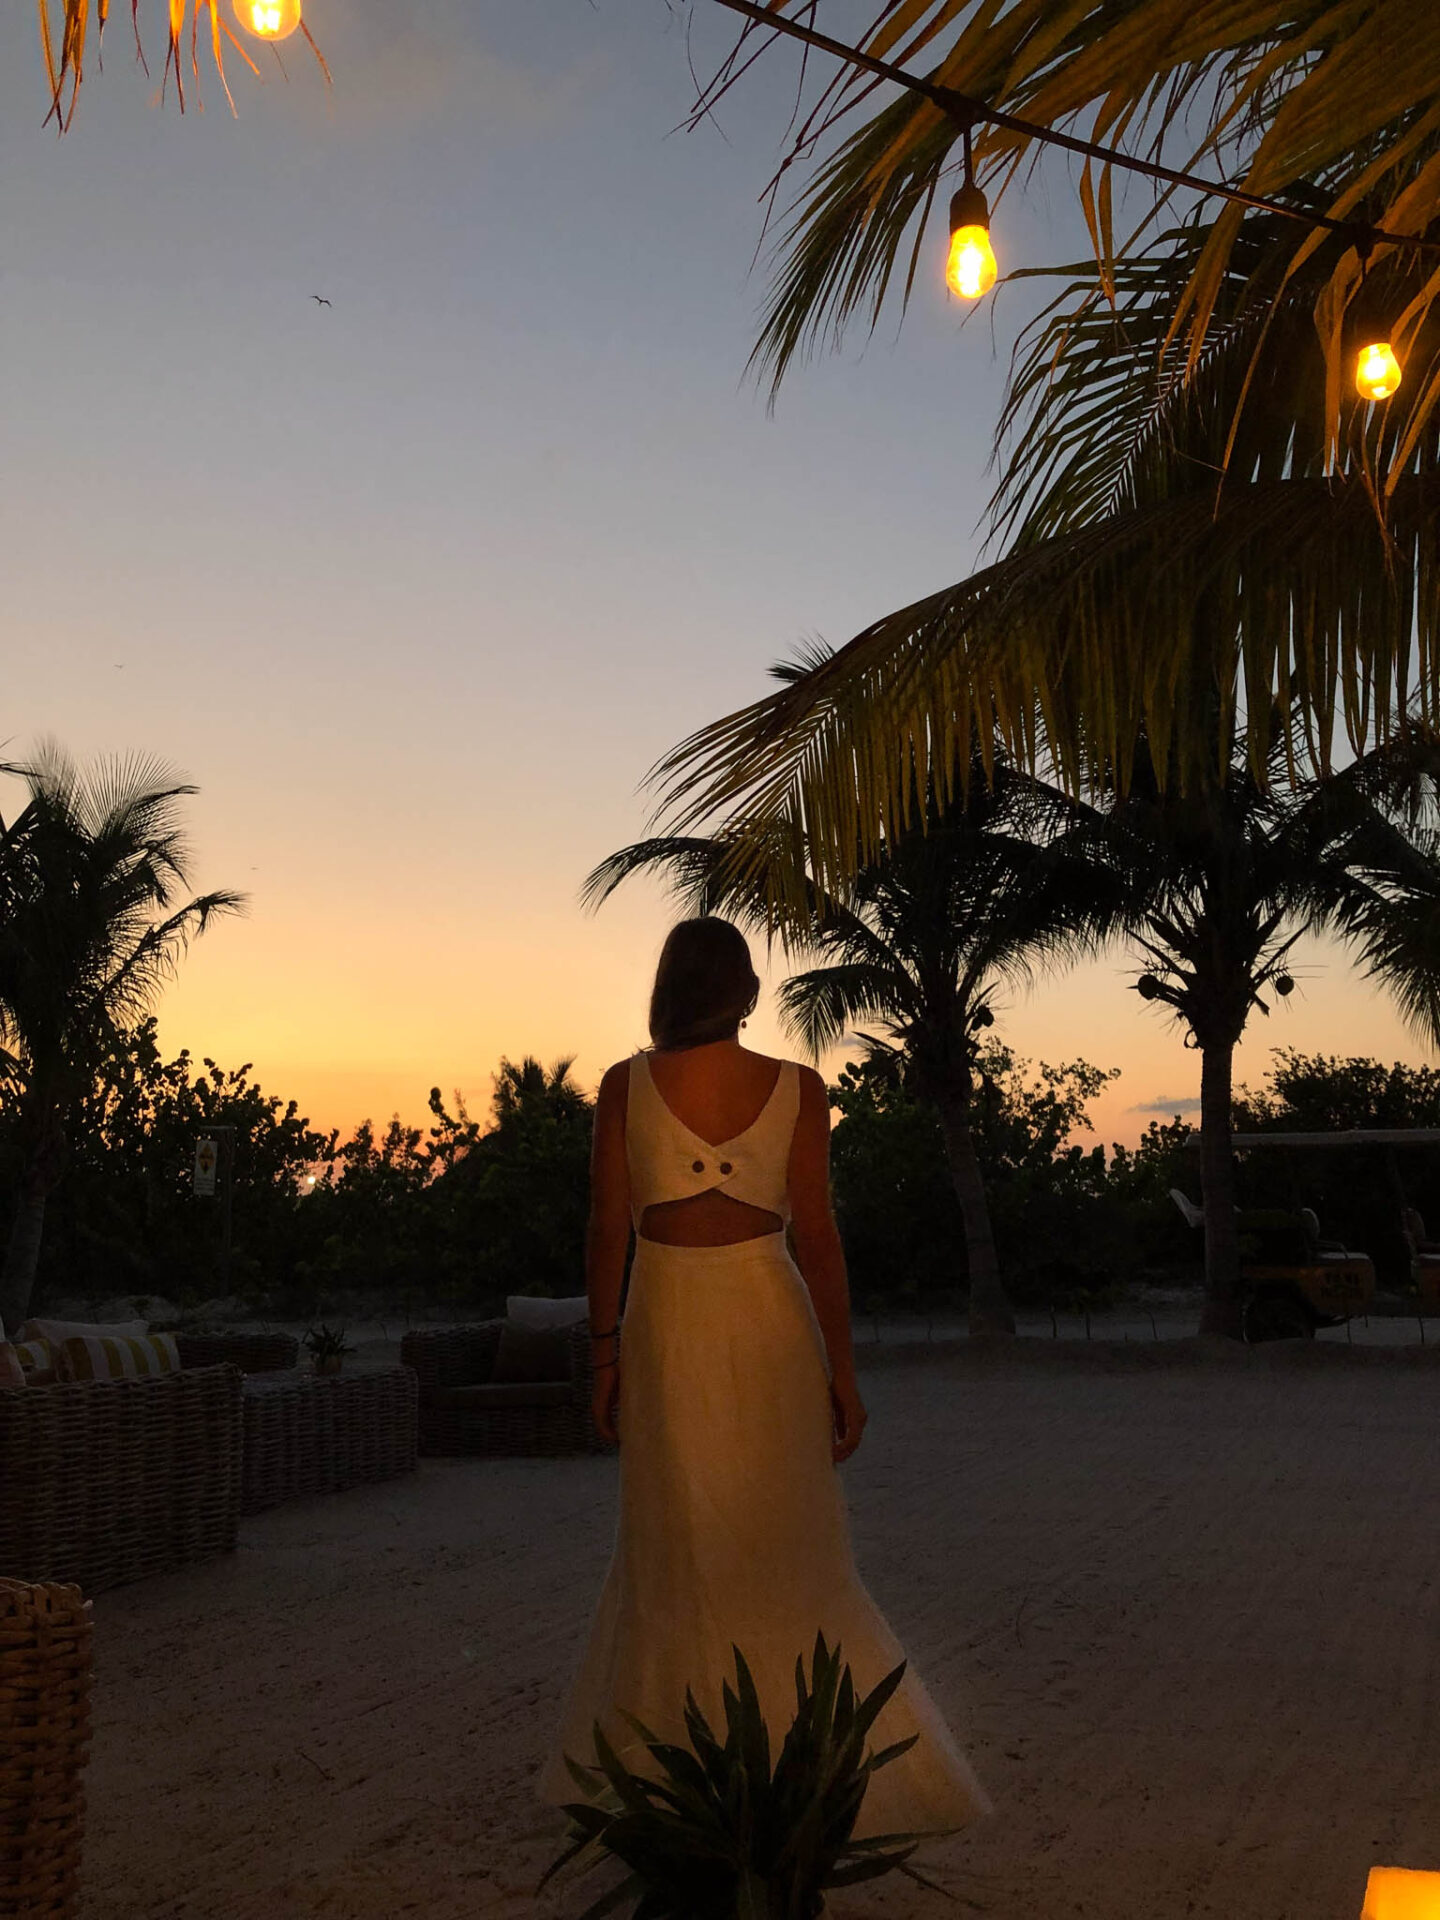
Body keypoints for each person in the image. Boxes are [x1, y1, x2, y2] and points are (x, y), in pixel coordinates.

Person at [537, 916, 990, 1838]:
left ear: (670, 989)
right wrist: (844, 1374)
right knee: (774, 1537)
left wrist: (603, 1353)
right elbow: (817, 1240)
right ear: (744, 993)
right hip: (767, 1317)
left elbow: (606, 1230)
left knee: (687, 1537)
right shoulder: (798, 1088)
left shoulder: (628, 1086)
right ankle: (784, 1767)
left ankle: (688, 1776)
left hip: (667, 1323)